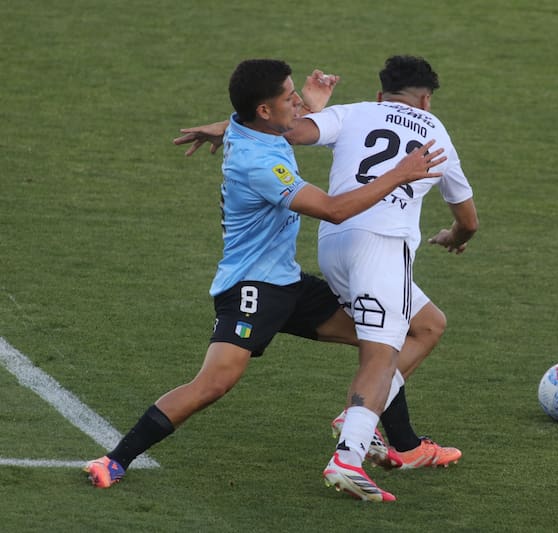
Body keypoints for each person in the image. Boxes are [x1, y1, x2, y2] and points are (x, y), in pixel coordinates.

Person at [83, 58, 447, 494]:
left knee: (383, 341)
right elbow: (334, 209)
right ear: (264, 111)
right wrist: (400, 173)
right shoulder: (257, 163)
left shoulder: (251, 127)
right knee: (213, 384)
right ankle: (115, 459)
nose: (299, 103)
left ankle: (392, 439)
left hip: (287, 282)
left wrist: (299, 107)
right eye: (290, 99)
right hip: (252, 289)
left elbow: (258, 123)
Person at [175, 55, 478, 501]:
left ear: (382, 94)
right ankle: (348, 455)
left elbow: (286, 130)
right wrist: (454, 237)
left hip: (335, 245)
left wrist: (226, 127)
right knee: (380, 355)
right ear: (426, 101)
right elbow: (468, 221)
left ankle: (372, 424)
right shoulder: (437, 134)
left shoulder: (355, 112)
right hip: (382, 249)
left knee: (429, 324)